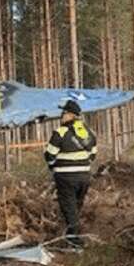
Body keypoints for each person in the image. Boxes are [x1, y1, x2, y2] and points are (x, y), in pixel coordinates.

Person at [44, 100, 98, 248]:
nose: (61, 116)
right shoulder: (88, 131)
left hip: (65, 177)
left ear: (70, 115)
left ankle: (74, 241)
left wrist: (53, 166)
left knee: (68, 207)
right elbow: (93, 153)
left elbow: (49, 155)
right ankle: (72, 233)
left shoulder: (60, 132)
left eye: (64, 113)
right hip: (84, 176)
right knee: (76, 206)